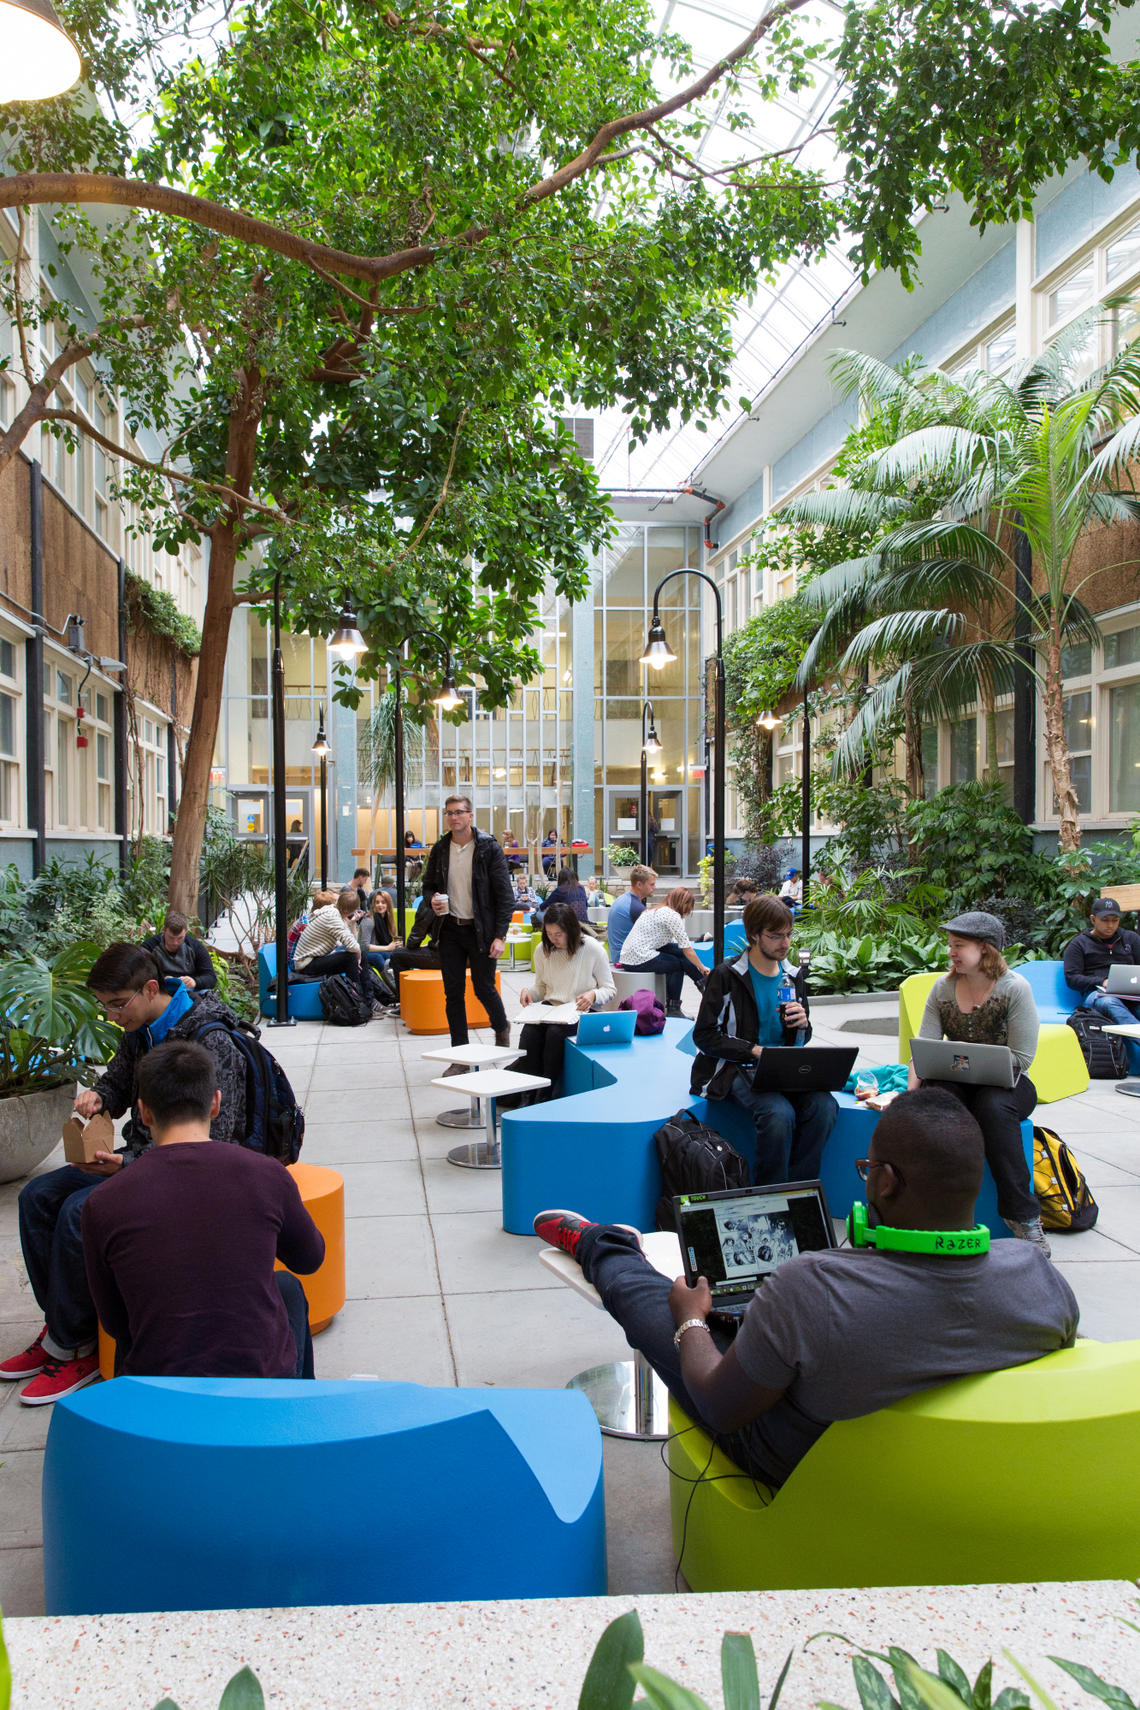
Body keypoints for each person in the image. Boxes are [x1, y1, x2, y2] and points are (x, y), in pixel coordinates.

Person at [532, 1088, 1078, 1489]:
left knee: (663, 1297)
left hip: (796, 1461)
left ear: (885, 1181)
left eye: (868, 1169)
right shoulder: (1039, 1275)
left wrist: (693, 1320)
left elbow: (720, 1407)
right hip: (960, 1481)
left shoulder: (810, 1287)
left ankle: (602, 1246)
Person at [0, 942, 250, 1405]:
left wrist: (131, 1165)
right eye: (106, 1006)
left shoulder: (211, 1038)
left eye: (118, 1004)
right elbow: (118, 1080)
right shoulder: (141, 1028)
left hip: (189, 1172)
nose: (113, 1016)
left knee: (81, 1211)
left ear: (151, 988)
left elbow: (221, 1142)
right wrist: (99, 1097)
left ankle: (75, 1346)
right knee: (37, 1197)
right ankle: (63, 1327)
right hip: (140, 1157)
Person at [82, 1041, 325, 1380]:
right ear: (215, 1104)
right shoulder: (267, 1173)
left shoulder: (103, 1201)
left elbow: (114, 1321)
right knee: (286, 1287)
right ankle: (297, 1411)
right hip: (260, 1382)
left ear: (144, 1111)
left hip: (161, 1387)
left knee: (137, 1330)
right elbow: (310, 1259)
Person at [910, 911, 1048, 1253]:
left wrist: (981, 1063)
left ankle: (1023, 1217)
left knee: (993, 1106)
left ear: (985, 950)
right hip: (954, 1082)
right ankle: (935, 1214)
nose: (951, 953)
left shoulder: (1014, 989)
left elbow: (1023, 1058)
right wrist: (908, 1096)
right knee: (937, 1102)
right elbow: (924, 1049)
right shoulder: (942, 989)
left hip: (1007, 1085)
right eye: (950, 945)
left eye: (959, 946)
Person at [691, 893, 836, 1185]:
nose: (785, 943)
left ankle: (800, 1191)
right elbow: (704, 1035)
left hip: (783, 1067)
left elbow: (801, 1039)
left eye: (789, 935)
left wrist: (803, 1026)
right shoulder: (728, 975)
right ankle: (770, 1195)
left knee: (824, 1108)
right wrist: (752, 1051)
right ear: (754, 935)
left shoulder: (793, 977)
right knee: (778, 1114)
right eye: (775, 936)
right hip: (736, 1066)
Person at [422, 793, 513, 1053]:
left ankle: (500, 1026)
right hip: (450, 929)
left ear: (470, 815)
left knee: (483, 988)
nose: (453, 817)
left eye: (459, 812)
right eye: (449, 813)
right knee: (453, 994)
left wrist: (500, 936)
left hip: (481, 930)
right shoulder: (440, 849)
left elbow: (505, 896)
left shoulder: (488, 847)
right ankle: (460, 1054)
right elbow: (427, 886)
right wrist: (432, 899)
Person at [514, 903, 616, 1096]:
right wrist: (529, 993)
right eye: (549, 933)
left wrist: (593, 994)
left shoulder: (593, 949)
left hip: (581, 1010)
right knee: (529, 1033)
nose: (554, 939)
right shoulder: (542, 950)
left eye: (558, 934)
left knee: (554, 1034)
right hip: (551, 1008)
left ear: (571, 929)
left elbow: (609, 989)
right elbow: (542, 987)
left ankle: (547, 1093)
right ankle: (526, 1092)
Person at [1063, 897, 1140, 1078]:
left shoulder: (1131, 939)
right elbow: (1072, 978)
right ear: (1093, 919)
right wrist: (1102, 981)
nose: (1110, 925)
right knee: (1109, 1001)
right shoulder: (1079, 944)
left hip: (1131, 995)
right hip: (1097, 996)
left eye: (1115, 920)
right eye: (1105, 920)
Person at [619, 886, 707, 1017]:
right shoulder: (672, 915)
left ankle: (704, 986)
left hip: (630, 955)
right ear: (683, 903)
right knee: (677, 964)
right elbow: (687, 949)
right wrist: (701, 967)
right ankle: (675, 1009)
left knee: (679, 953)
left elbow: (681, 948)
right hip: (638, 958)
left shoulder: (655, 910)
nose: (689, 911)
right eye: (689, 906)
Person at [293, 887, 386, 1011]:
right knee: (351, 957)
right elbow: (352, 945)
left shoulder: (332, 913)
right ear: (352, 910)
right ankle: (359, 1002)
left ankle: (368, 1000)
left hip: (314, 959)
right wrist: (357, 955)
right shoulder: (332, 918)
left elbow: (348, 941)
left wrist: (358, 954)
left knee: (359, 955)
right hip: (306, 964)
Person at [140, 911, 217, 992]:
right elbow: (138, 973)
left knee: (204, 992)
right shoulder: (149, 946)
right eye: (171, 938)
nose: (175, 943)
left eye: (180, 938)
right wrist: (161, 979)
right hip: (160, 990)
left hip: (189, 990)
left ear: (186, 931)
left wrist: (195, 981)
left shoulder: (196, 946)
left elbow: (211, 977)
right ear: (163, 930)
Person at [387, 896, 443, 1004]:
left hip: (445, 955)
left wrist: (410, 946)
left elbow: (417, 934)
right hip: (469, 955)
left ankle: (404, 1004)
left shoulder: (432, 900)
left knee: (397, 955)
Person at [607, 864, 657, 962]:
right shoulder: (636, 907)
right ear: (639, 885)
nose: (655, 887)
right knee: (676, 961)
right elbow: (654, 937)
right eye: (652, 884)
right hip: (625, 958)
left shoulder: (624, 899)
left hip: (617, 955)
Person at [360, 889, 401, 970]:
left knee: (397, 954)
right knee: (378, 957)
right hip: (364, 953)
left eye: (383, 902)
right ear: (373, 904)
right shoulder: (369, 920)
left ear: (388, 904)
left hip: (379, 951)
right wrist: (387, 948)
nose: (380, 905)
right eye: (377, 902)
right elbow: (364, 946)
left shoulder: (387, 920)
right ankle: (391, 980)